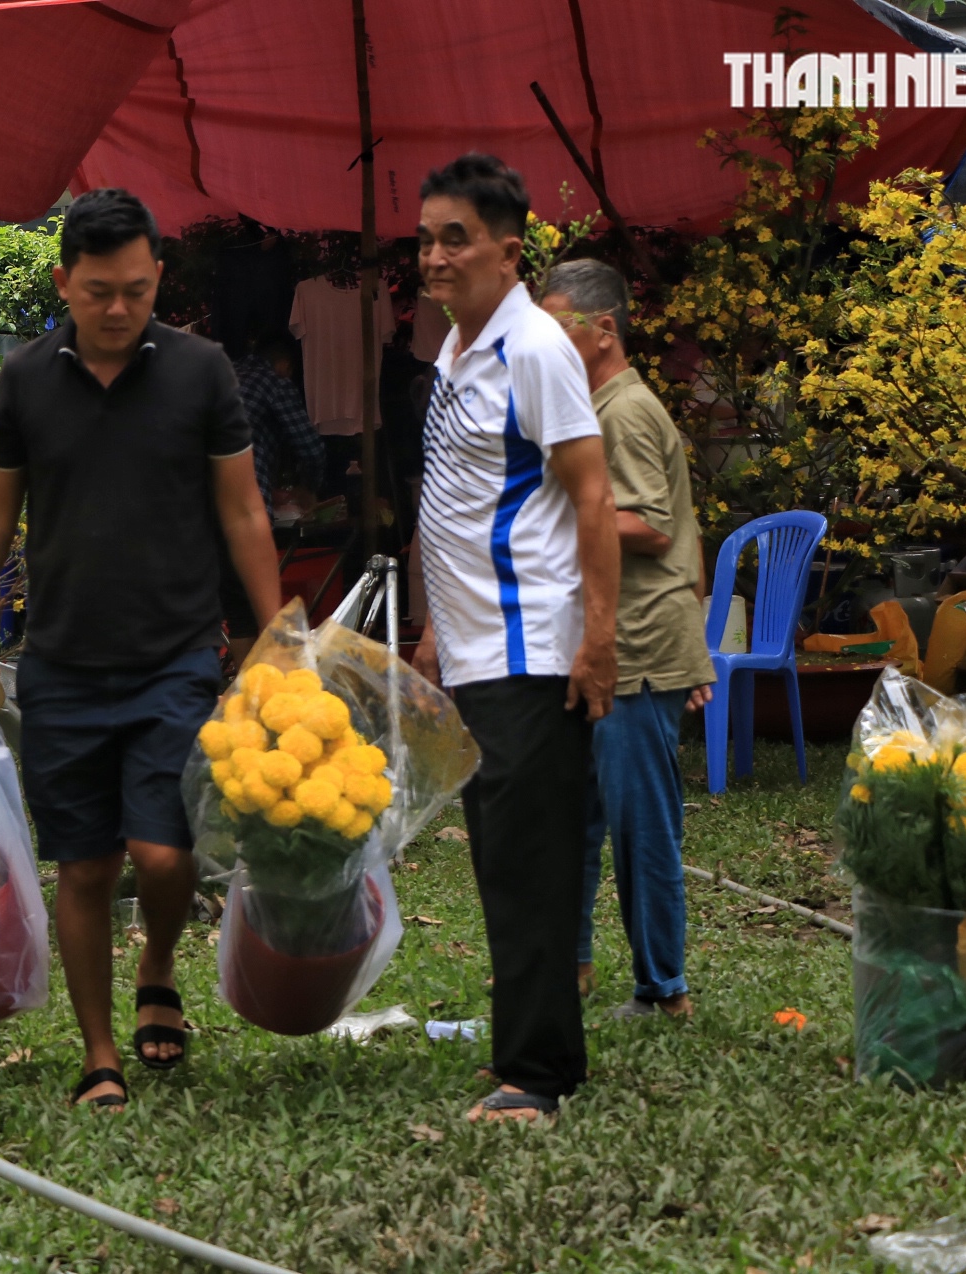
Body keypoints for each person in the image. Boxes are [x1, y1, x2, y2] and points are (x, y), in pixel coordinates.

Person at [0, 189, 281, 1111]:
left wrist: (279, 631)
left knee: (163, 859)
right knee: (84, 865)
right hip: (63, 665)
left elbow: (242, 509)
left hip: (172, 655)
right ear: (63, 283)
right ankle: (99, 1055)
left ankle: (158, 963)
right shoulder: (26, 379)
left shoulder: (202, 373)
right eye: (97, 292)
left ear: (156, 277)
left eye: (134, 289)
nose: (118, 309)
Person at [410, 155, 620, 1125]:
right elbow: (456, 502)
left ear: (509, 247)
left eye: (456, 237)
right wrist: (427, 629)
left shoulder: (535, 347)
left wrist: (600, 641)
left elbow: (592, 495)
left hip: (532, 649)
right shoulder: (455, 353)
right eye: (426, 238)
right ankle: (529, 1055)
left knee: (529, 865)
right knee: (501, 861)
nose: (436, 255)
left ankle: (535, 1075)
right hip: (472, 652)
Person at [540, 259, 715, 1020]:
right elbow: (691, 538)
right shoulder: (598, 406)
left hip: (637, 647)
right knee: (572, 813)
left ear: (601, 330)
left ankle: (661, 990)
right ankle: (572, 965)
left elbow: (649, 526)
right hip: (614, 639)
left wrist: (542, 518)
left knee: (640, 821)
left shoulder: (622, 411)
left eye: (556, 331)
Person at [221, 333, 324, 660]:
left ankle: (242, 684)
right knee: (254, 600)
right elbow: (309, 446)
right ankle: (261, 686)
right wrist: (310, 487)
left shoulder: (223, 374)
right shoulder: (272, 381)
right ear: (285, 364)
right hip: (241, 511)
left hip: (195, 508)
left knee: (234, 604)